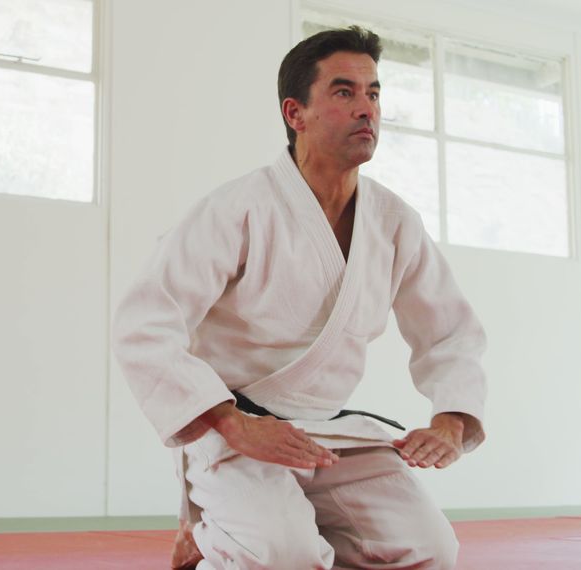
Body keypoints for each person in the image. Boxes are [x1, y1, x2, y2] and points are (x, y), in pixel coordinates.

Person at [112, 25, 487, 569]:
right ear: (295, 113)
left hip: (331, 435)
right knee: (284, 555)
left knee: (429, 551)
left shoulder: (394, 221)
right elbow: (145, 323)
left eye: (373, 92)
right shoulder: (239, 208)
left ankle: (240, 528)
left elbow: (450, 330)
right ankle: (218, 535)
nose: (367, 109)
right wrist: (229, 422)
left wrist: (451, 420)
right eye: (344, 92)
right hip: (236, 431)